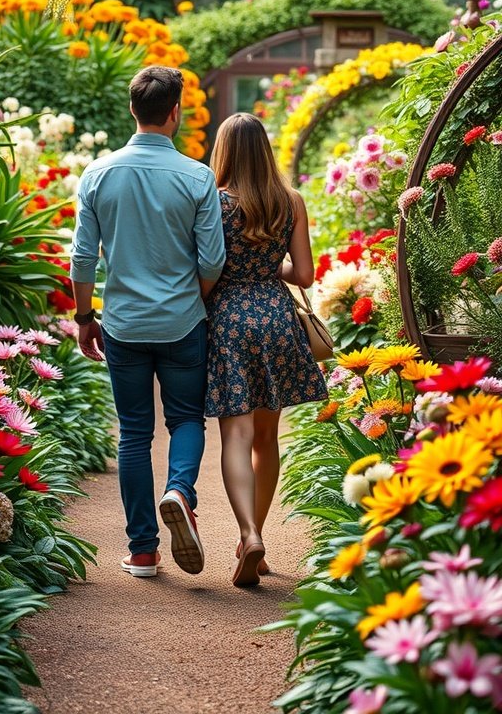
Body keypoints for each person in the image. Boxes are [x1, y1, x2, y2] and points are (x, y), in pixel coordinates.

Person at [70, 66, 226, 579]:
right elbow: (210, 262)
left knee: (134, 433)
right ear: (176, 112)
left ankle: (142, 551)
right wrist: (192, 302)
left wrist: (85, 317)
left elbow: (82, 260)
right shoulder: (197, 176)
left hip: (123, 324)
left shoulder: (98, 174)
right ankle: (180, 490)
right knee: (184, 419)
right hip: (183, 323)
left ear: (132, 110)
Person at [205, 113, 327, 587]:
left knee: (234, 435)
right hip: (276, 318)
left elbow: (207, 266)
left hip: (229, 321)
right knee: (266, 437)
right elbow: (304, 275)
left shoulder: (213, 202)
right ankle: (255, 540)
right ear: (266, 150)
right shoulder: (289, 200)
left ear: (225, 151)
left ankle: (248, 533)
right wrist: (267, 270)